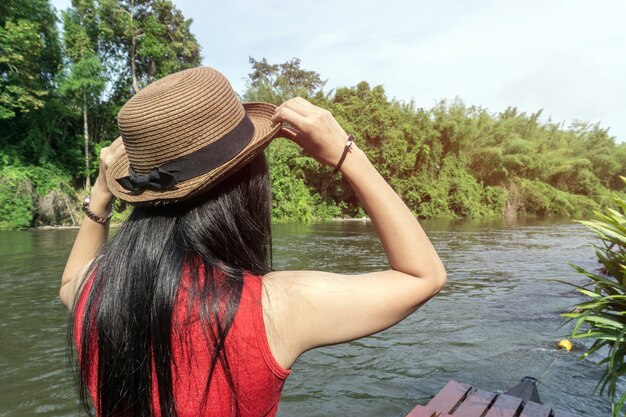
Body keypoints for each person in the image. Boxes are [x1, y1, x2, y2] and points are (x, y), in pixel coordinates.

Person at [60, 67, 446, 417]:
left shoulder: (96, 292)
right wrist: (348, 155)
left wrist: (100, 196)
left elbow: (69, 282)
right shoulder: (272, 306)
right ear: (248, 184)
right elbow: (422, 276)